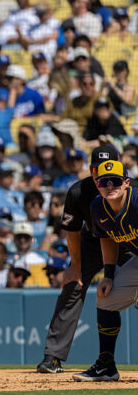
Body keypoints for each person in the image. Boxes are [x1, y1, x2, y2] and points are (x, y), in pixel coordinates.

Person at [36, 146, 129, 374]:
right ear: (91, 170)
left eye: (111, 171)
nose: (105, 178)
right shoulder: (79, 192)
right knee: (72, 285)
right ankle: (53, 357)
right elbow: (73, 231)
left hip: (129, 240)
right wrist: (75, 267)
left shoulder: (131, 188)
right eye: (98, 170)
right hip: (93, 241)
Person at [65, 159, 138, 382]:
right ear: (97, 183)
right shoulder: (98, 206)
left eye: (115, 181)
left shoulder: (137, 202)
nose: (109, 186)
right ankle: (106, 365)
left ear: (126, 182)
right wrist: (108, 275)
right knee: (106, 299)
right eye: (103, 181)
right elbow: (106, 237)